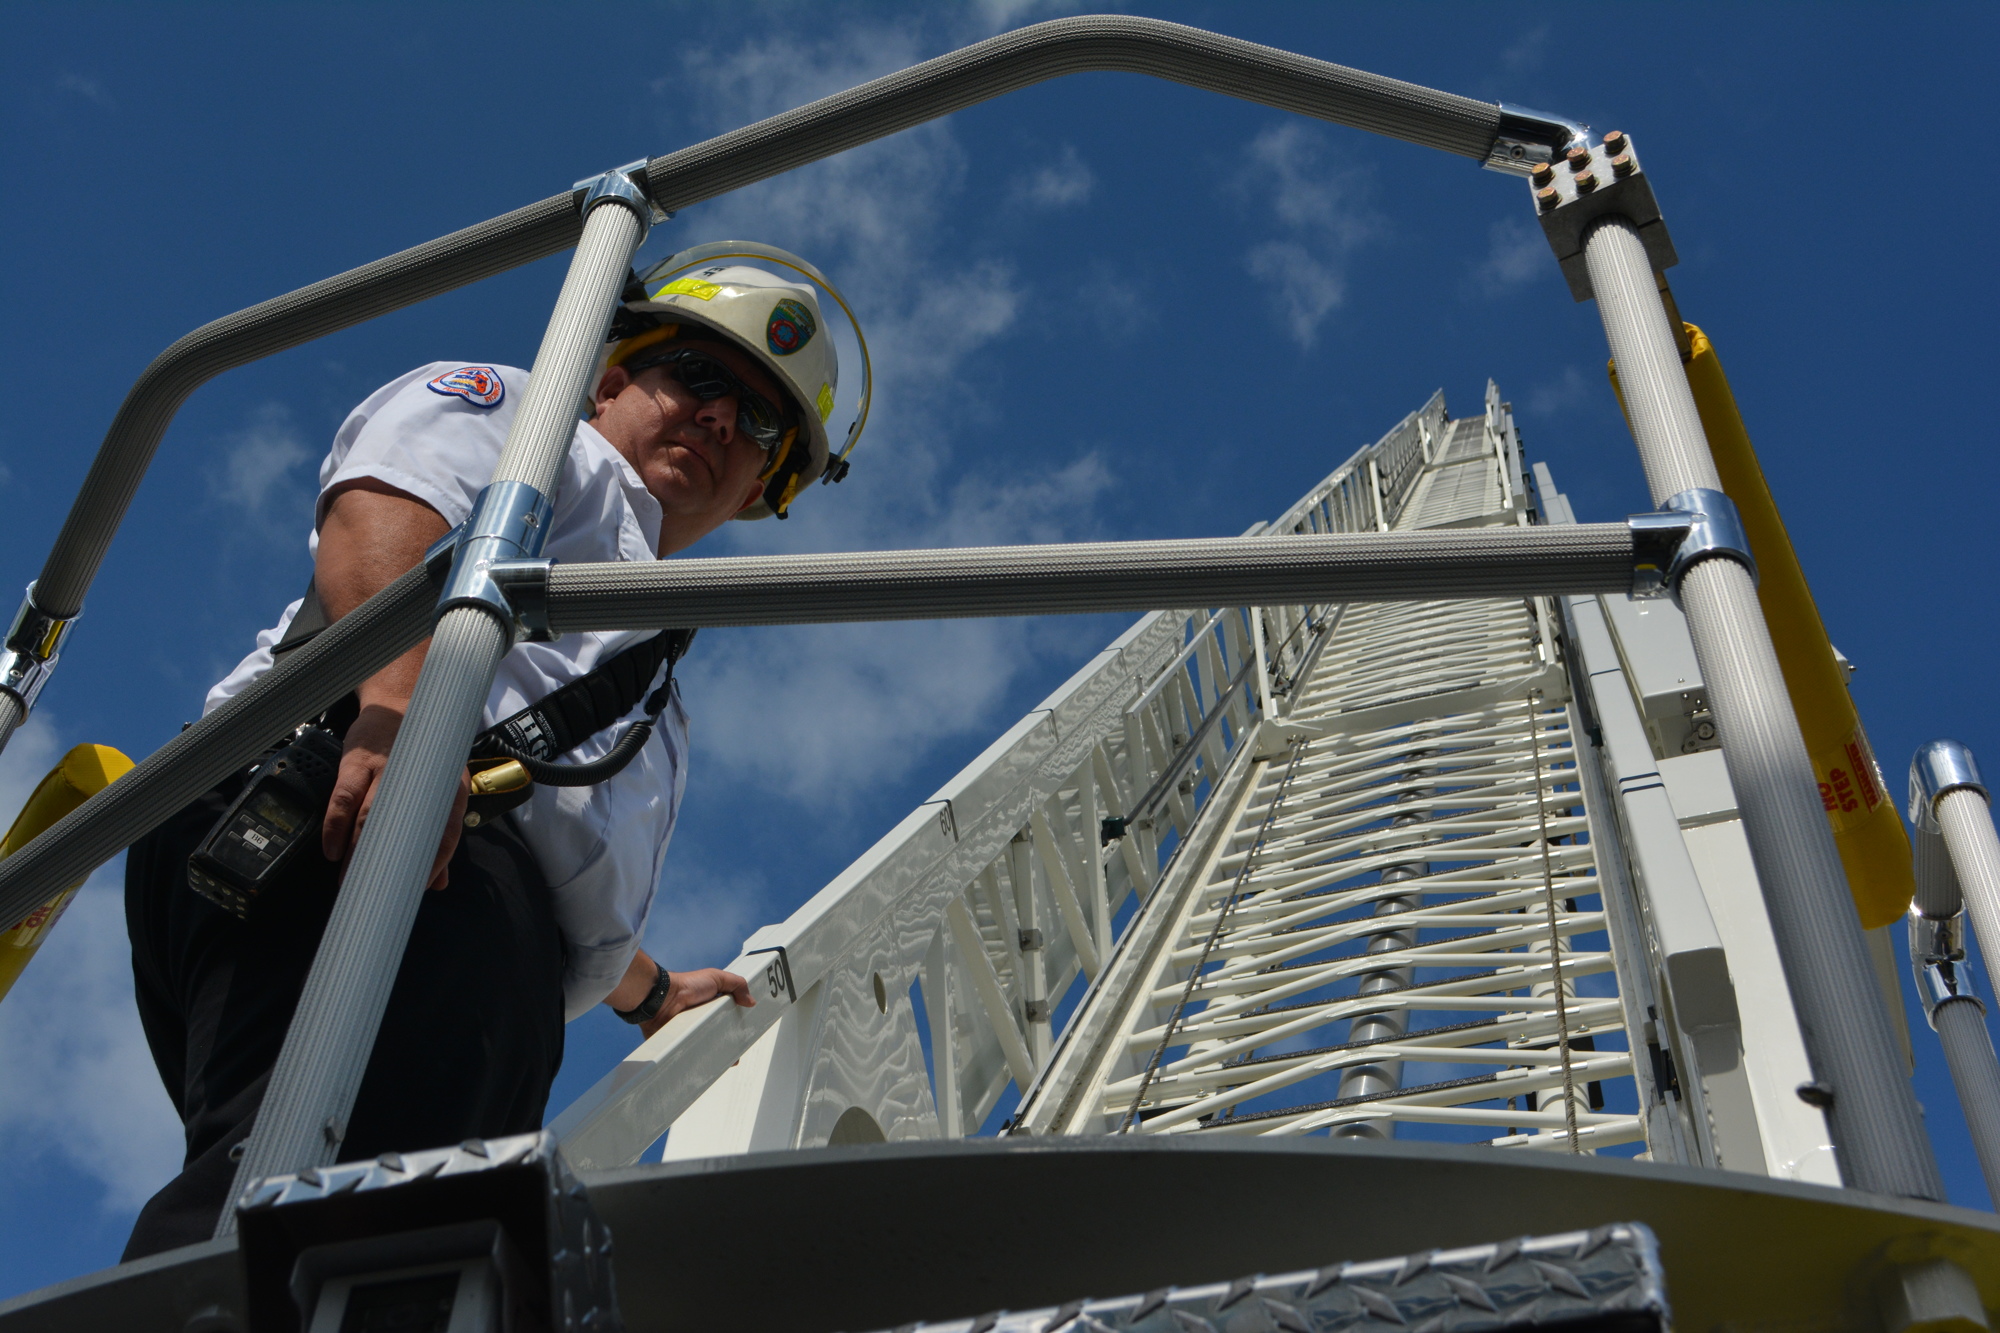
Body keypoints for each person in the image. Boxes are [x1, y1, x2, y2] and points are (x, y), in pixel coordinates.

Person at [122, 259, 847, 1257]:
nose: (723, 421)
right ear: (608, 382)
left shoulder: (651, 657)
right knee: (298, 1229)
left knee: (364, 1249)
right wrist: (399, 718)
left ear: (763, 483)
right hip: (370, 822)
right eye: (696, 377)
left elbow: (552, 841)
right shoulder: (541, 434)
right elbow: (384, 507)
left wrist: (644, 990)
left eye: (760, 424)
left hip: (456, 904)